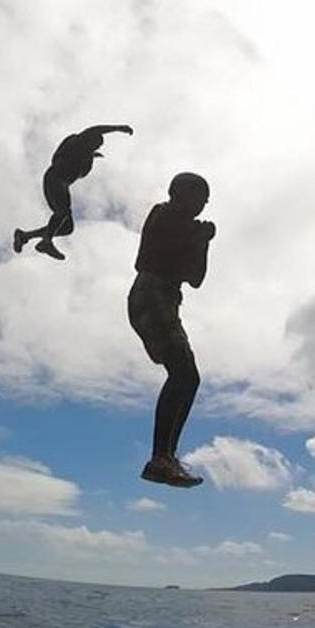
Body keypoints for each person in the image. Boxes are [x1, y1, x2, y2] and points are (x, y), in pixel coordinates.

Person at [128, 173, 216, 487]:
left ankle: (165, 457)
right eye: (201, 195)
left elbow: (195, 278)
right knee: (183, 373)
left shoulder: (191, 230)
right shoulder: (162, 213)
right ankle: (161, 458)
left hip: (165, 299)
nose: (205, 203)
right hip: (151, 293)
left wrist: (202, 244)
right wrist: (196, 236)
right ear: (180, 193)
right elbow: (164, 245)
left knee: (188, 377)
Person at [13, 124, 134, 260]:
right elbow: (96, 130)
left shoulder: (86, 155)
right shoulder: (78, 141)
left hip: (62, 185)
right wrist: (119, 128)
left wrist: (92, 155)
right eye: (96, 144)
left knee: (66, 227)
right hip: (55, 178)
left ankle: (24, 236)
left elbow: (83, 158)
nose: (97, 147)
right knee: (63, 212)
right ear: (89, 139)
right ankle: (46, 242)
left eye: (98, 146)